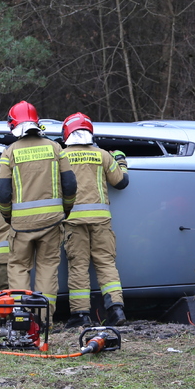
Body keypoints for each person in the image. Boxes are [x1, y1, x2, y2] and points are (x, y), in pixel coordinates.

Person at [0, 101, 76, 325]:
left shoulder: (9, 152)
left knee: (19, 267)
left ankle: (21, 316)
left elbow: (2, 192)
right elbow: (70, 185)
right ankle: (43, 320)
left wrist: (8, 217)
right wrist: (65, 210)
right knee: (47, 268)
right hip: (52, 223)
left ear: (14, 125)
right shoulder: (55, 148)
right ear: (36, 123)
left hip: (21, 226)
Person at [59, 112, 130, 328]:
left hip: (73, 221)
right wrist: (121, 160)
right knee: (106, 264)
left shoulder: (61, 156)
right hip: (101, 221)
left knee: (79, 267)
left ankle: (80, 315)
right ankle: (116, 310)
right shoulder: (102, 155)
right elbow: (121, 182)